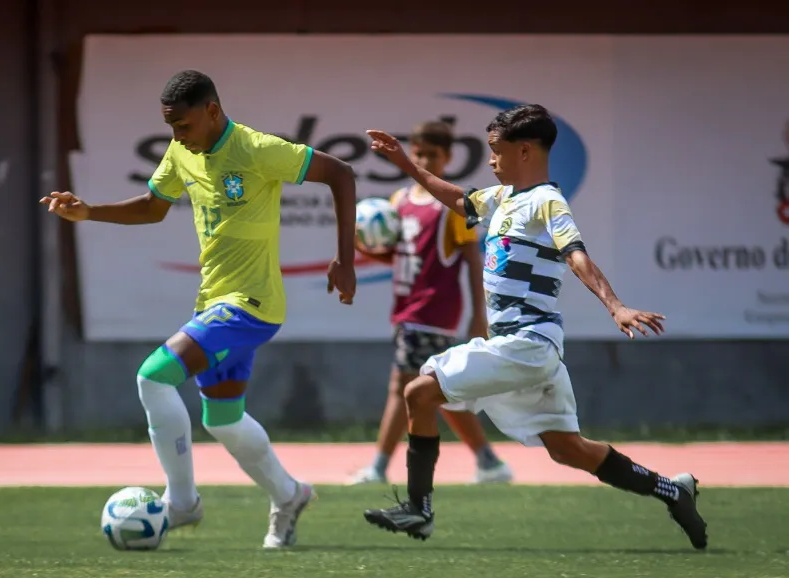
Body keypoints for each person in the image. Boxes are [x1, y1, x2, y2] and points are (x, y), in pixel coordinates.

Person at [360, 104, 708, 550]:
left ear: (524, 151)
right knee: (568, 449)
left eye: (495, 151)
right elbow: (455, 197)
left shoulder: (547, 201)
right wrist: (405, 164)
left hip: (526, 344)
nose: (489, 160)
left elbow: (576, 254)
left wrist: (615, 306)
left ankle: (419, 510)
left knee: (417, 391)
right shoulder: (503, 198)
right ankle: (673, 491)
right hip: (528, 349)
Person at [40, 70, 357, 549]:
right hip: (214, 301)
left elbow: (341, 173)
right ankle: (289, 495)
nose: (177, 137)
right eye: (170, 128)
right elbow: (152, 206)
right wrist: (88, 212)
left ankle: (183, 502)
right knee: (223, 419)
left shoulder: (255, 149)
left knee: (153, 376)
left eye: (183, 126)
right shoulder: (182, 152)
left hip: (250, 304)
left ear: (212, 112)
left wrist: (345, 259)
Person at [350, 120, 512, 485]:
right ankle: (489, 462)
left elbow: (472, 259)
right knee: (437, 391)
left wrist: (477, 315)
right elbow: (401, 256)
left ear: (448, 158)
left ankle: (377, 467)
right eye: (419, 152)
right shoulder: (400, 201)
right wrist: (364, 249)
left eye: (432, 155)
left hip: (433, 312)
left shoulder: (451, 206)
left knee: (403, 387)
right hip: (406, 309)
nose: (424, 158)